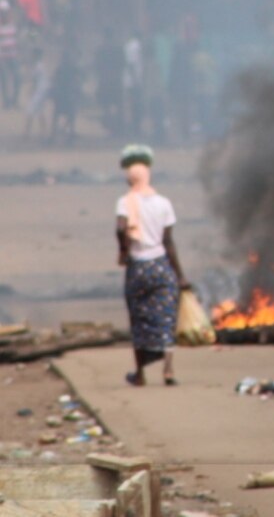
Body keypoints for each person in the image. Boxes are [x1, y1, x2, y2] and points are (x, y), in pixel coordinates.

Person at [115, 145, 188, 386]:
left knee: (139, 318)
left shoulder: (125, 203)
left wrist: (124, 250)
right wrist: (180, 276)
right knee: (166, 319)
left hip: (137, 268)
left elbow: (120, 228)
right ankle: (168, 372)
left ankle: (140, 374)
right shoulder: (164, 203)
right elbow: (168, 242)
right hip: (161, 266)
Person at [95, 28, 124, 136]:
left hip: (104, 80)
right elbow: (122, 65)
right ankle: (118, 129)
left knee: (106, 107)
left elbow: (97, 66)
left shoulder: (101, 50)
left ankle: (110, 130)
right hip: (116, 80)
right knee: (118, 106)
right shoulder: (118, 49)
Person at [50, 47, 80, 141]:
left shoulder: (60, 68)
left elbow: (54, 81)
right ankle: (69, 133)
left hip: (62, 95)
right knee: (71, 114)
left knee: (57, 114)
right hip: (67, 95)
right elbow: (76, 81)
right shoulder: (71, 68)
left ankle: (55, 134)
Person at [23, 47, 49, 136]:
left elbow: (33, 80)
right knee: (40, 111)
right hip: (41, 92)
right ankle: (43, 132)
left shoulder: (38, 66)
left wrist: (31, 91)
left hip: (39, 92)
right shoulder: (40, 65)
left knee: (30, 110)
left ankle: (27, 133)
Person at [0, 0, 20, 110]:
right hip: (2, 57)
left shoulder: (13, 24)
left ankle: (14, 101)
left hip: (13, 55)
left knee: (18, 77)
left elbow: (17, 39)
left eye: (5, 12)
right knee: (4, 80)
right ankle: (6, 102)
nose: (3, 14)